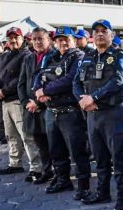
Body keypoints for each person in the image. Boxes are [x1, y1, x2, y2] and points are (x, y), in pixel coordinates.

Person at [73, 19, 123, 210]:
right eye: (96, 31)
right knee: (100, 157)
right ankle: (102, 192)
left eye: (103, 31)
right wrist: (83, 100)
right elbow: (76, 82)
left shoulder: (118, 56)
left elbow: (119, 80)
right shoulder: (86, 57)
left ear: (111, 35)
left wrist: (94, 97)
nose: (99, 34)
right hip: (93, 115)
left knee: (118, 158)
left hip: (113, 114)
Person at [34, 27, 90, 196]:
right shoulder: (52, 57)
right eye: (59, 39)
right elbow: (39, 75)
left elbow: (70, 80)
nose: (63, 42)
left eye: (66, 39)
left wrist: (45, 90)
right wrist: (38, 91)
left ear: (73, 40)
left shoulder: (78, 56)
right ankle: (62, 180)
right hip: (52, 111)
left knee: (77, 151)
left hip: (70, 112)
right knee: (56, 150)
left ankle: (83, 185)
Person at [0, 27, 42, 179]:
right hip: (5, 102)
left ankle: (36, 167)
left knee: (26, 136)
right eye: (10, 38)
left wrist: (3, 91)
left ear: (22, 39)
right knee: (10, 135)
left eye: (16, 37)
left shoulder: (27, 55)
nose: (13, 41)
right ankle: (15, 164)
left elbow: (21, 79)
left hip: (17, 101)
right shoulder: (4, 56)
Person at [18, 27, 54, 184]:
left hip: (47, 106)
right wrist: (26, 102)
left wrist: (38, 102)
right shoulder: (29, 58)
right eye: (35, 39)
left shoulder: (54, 56)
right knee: (40, 143)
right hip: (30, 108)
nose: (38, 42)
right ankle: (46, 171)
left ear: (48, 39)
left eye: (41, 38)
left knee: (53, 142)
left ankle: (59, 173)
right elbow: (21, 82)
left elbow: (54, 83)